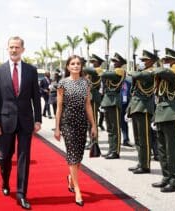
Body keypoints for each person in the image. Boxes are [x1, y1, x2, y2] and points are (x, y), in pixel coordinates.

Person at [0, 36, 41, 210]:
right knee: (4, 157)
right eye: (11, 47)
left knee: (23, 158)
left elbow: (36, 97)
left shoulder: (31, 70)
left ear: (23, 50)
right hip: (5, 122)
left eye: (17, 47)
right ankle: (5, 181)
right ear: (7, 49)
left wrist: (38, 119)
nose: (14, 50)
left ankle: (21, 194)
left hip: (26, 121)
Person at [54, 55, 97, 207]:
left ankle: (71, 178)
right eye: (72, 64)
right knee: (72, 154)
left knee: (79, 156)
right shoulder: (62, 83)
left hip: (82, 122)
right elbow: (59, 107)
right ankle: (77, 190)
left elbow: (88, 105)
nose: (76, 66)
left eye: (78, 63)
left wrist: (93, 125)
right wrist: (57, 127)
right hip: (67, 122)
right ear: (68, 66)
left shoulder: (86, 82)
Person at [151, 48, 175, 192]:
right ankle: (166, 177)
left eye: (168, 59)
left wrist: (159, 66)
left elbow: (160, 72)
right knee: (162, 150)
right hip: (162, 112)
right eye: (164, 59)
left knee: (173, 151)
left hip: (173, 113)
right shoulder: (167, 73)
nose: (165, 61)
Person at [126, 50, 157, 174]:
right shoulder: (142, 71)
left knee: (144, 138)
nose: (142, 62)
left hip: (144, 107)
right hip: (137, 106)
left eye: (145, 60)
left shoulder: (151, 71)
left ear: (152, 61)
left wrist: (136, 70)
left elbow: (135, 75)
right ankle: (141, 162)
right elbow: (133, 88)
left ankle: (145, 165)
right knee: (138, 138)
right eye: (142, 60)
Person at [100, 53, 126, 159]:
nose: (114, 63)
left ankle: (116, 151)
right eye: (113, 61)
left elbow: (104, 75)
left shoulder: (120, 71)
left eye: (116, 61)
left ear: (120, 63)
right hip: (107, 101)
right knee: (110, 128)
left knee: (115, 128)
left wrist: (102, 71)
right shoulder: (111, 72)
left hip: (114, 100)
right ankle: (111, 149)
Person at [83, 54, 104, 148]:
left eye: (94, 61)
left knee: (93, 121)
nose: (92, 63)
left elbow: (86, 70)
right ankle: (91, 141)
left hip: (94, 98)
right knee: (89, 122)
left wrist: (81, 65)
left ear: (98, 62)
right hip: (88, 98)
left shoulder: (98, 70)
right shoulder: (90, 72)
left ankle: (94, 142)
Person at [121, 77, 133, 147]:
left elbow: (131, 93)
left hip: (125, 104)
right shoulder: (114, 79)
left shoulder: (128, 82)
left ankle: (126, 139)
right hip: (117, 104)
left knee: (124, 123)